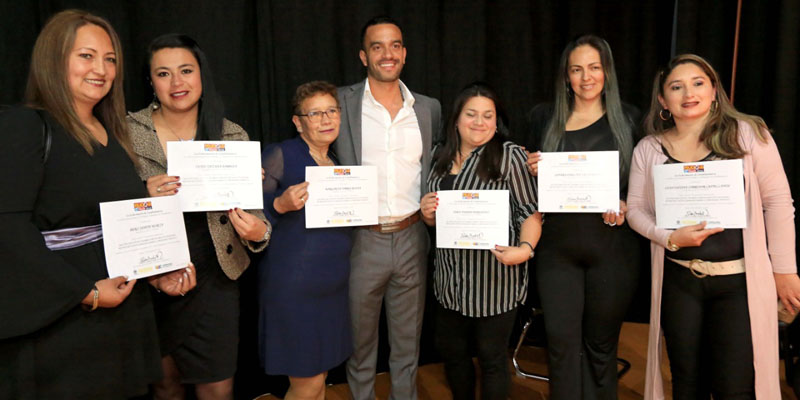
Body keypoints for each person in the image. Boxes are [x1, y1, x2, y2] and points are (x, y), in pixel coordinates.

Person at [0, 10, 195, 399]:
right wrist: (84, 292)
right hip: (58, 321)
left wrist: (155, 272)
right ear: (54, 59)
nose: (101, 69)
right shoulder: (25, 126)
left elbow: (115, 223)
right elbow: (8, 228)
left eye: (109, 59)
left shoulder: (112, 132)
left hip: (119, 314)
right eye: (86, 56)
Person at [627, 53, 800, 399]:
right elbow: (635, 210)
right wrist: (668, 237)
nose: (688, 93)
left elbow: (778, 202)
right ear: (663, 100)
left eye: (698, 83)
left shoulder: (748, 135)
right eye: (676, 87)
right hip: (680, 282)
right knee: (686, 382)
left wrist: (784, 270)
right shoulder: (649, 149)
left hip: (739, 284)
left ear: (713, 90)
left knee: (735, 386)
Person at [127, 34, 270, 400]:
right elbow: (102, 205)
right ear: (151, 82)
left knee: (218, 387)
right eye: (164, 73)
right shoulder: (125, 132)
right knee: (164, 384)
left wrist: (258, 231)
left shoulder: (232, 135)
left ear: (201, 74)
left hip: (216, 274)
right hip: (152, 274)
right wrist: (143, 195)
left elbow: (255, 217)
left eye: (186, 70)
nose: (177, 83)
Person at [524, 35, 641, 399]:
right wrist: (529, 170)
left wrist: (627, 204)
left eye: (594, 67)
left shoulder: (632, 119)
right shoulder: (542, 118)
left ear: (607, 72)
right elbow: (524, 196)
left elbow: (645, 187)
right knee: (560, 349)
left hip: (614, 252)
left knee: (601, 348)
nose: (586, 77)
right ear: (566, 76)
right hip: (557, 253)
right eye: (577, 69)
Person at [333, 15, 442, 400]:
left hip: (413, 236)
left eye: (394, 45)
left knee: (407, 346)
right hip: (362, 240)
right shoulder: (341, 102)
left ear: (405, 53)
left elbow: (437, 167)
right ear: (364, 56)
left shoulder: (427, 109)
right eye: (377, 46)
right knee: (361, 347)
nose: (387, 53)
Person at [420, 82, 542, 400]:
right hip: (450, 281)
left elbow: (530, 213)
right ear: (457, 119)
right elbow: (434, 218)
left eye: (488, 115)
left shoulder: (510, 155)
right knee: (454, 356)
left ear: (496, 120)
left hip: (495, 282)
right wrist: (427, 213)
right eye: (471, 114)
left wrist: (526, 249)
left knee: (491, 360)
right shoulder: (438, 155)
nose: (479, 122)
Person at [258, 81, 353, 400]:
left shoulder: (336, 164)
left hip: (331, 288)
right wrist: (279, 204)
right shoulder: (281, 154)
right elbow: (248, 212)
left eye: (331, 111)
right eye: (315, 113)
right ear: (298, 122)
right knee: (307, 382)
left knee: (320, 377)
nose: (326, 119)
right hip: (295, 290)